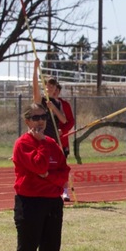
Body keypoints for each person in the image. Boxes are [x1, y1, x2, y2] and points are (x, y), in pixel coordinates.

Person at [12, 103, 75, 251]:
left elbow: (63, 172)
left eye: (43, 117)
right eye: (36, 118)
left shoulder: (52, 143)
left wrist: (49, 176)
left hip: (52, 203)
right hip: (29, 203)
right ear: (27, 121)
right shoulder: (23, 144)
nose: (40, 121)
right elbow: (39, 166)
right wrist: (39, 147)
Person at [33, 58, 75, 201]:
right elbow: (35, 92)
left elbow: (64, 120)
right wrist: (35, 69)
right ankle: (42, 191)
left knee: (61, 166)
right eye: (47, 86)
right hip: (42, 138)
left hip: (55, 139)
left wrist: (54, 108)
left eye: (52, 86)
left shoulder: (57, 103)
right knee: (42, 165)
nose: (50, 88)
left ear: (55, 88)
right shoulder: (41, 100)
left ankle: (64, 191)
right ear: (44, 86)